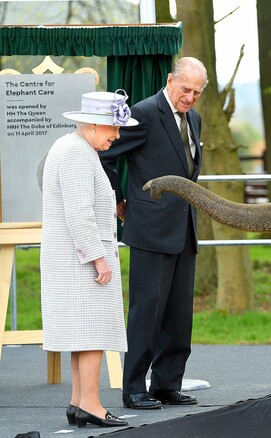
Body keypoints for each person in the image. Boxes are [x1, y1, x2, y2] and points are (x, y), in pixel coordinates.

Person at [100, 57, 208, 410]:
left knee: (179, 316)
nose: (190, 98)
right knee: (146, 312)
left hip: (184, 229)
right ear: (169, 80)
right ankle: (133, 388)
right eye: (185, 90)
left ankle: (166, 384)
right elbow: (106, 156)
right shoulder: (144, 112)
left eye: (197, 92)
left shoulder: (194, 119)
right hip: (149, 230)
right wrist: (117, 200)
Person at [41, 90, 138, 428]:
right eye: (113, 128)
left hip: (71, 257)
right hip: (79, 259)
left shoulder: (73, 148)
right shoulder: (77, 154)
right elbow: (79, 215)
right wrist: (99, 259)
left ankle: (79, 402)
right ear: (95, 125)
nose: (117, 135)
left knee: (82, 333)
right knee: (94, 332)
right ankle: (92, 405)